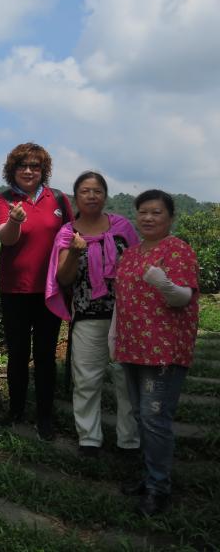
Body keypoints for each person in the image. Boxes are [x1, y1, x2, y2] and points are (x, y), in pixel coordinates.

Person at [113, 190, 199, 516]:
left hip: (163, 350)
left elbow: (183, 297)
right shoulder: (132, 254)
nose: (148, 218)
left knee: (154, 419)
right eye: (143, 212)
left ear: (170, 217)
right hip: (132, 345)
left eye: (156, 212)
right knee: (141, 416)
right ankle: (151, 477)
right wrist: (113, 335)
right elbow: (122, 299)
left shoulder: (178, 250)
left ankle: (159, 488)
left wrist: (163, 284)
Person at [45, 171, 139, 456]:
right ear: (76, 197)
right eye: (85, 191)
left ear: (105, 195)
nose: (91, 196)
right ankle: (89, 437)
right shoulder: (67, 233)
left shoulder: (122, 227)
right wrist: (74, 252)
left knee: (126, 380)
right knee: (86, 379)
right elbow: (63, 279)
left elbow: (137, 264)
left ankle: (129, 440)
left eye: (97, 191)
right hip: (86, 316)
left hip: (124, 316)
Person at [0, 142, 73, 441]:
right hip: (15, 290)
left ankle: (45, 416)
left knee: (47, 355)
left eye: (35, 166)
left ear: (43, 170)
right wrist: (15, 220)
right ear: (12, 170)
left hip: (50, 291)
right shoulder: (2, 201)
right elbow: (6, 240)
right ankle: (16, 412)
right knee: (18, 354)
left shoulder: (59, 200)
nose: (28, 171)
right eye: (22, 166)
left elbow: (70, 241)